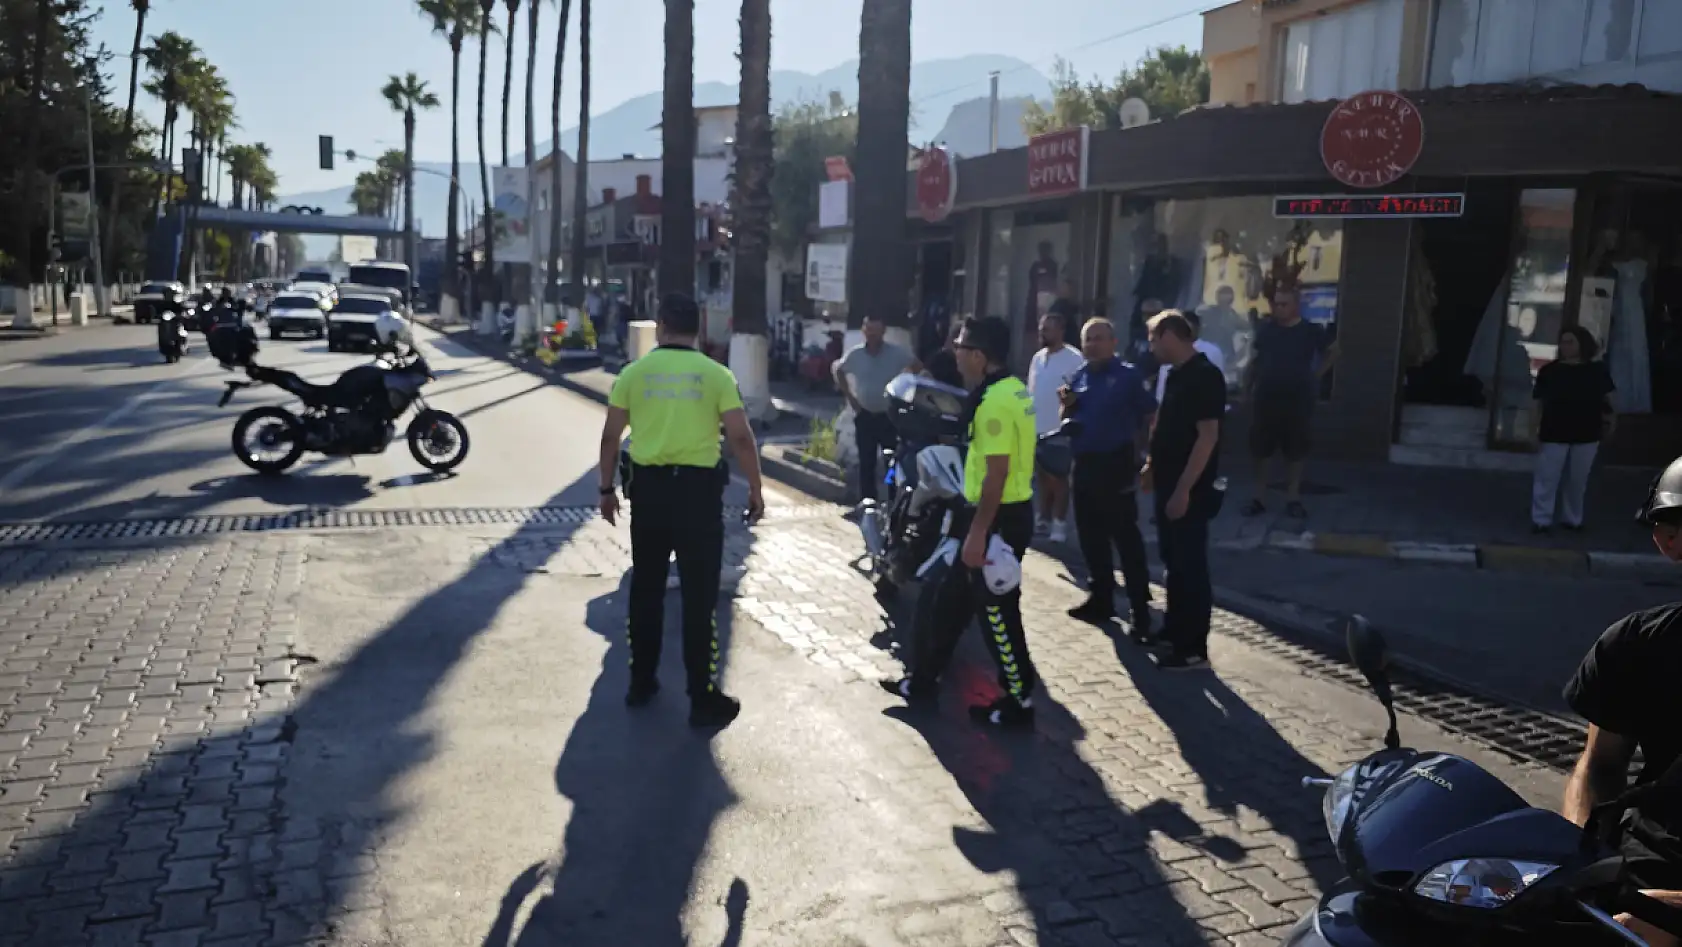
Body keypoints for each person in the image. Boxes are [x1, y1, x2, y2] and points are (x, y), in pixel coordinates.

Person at [597, 292, 765, 728]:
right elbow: (741, 439)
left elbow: (611, 437)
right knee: (699, 598)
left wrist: (605, 488)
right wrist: (756, 490)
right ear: (698, 330)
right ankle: (702, 695)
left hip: (649, 496)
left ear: (661, 326)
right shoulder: (716, 375)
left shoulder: (634, 374)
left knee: (646, 591)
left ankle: (641, 681)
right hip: (697, 498)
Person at [882, 316, 1040, 727]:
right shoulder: (1011, 389)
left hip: (996, 518)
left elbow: (997, 473)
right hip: (988, 513)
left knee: (997, 614)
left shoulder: (994, 403)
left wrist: (977, 533)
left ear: (980, 356)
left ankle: (1018, 701)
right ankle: (922, 680)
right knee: (946, 601)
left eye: (961, 345)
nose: (954, 351)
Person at [1564, 456, 1682, 943]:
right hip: (1630, 887)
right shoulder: (1636, 646)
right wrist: (1577, 861)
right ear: (1668, 539)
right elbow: (1598, 767)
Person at [1060, 318, 1156, 637]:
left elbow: (1150, 414)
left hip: (1116, 464)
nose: (1093, 345)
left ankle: (1140, 610)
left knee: (1125, 538)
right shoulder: (1078, 376)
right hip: (1084, 463)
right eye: (1088, 340)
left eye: (1099, 339)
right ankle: (1100, 598)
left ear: (1114, 342)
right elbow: (1069, 416)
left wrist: (1148, 456)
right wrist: (1067, 407)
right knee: (1090, 536)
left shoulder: (1128, 377)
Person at [1143, 311, 1226, 671]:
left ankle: (1193, 648)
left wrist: (1184, 490)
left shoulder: (1205, 376)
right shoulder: (1174, 374)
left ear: (1169, 335)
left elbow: (1207, 437)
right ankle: (1174, 631)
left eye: (1152, 338)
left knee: (1190, 565)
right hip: (1166, 482)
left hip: (1189, 489)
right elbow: (1163, 423)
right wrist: (1151, 464)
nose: (1150, 346)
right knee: (1173, 561)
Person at [1241, 287, 1336, 519]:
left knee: (1295, 448)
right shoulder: (1267, 330)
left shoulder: (1310, 330)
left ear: (1296, 306)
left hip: (1297, 397)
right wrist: (1246, 387)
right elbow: (1255, 360)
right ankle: (1259, 497)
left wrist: (1316, 376)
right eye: (1276, 304)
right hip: (1266, 396)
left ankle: (1293, 497)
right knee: (1261, 449)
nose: (1279, 308)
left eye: (1284, 304)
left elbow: (1333, 352)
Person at [1532, 326, 1616, 534]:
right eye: (1563, 342)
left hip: (1587, 431)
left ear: (1582, 344)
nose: (1565, 346)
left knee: (1578, 479)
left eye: (1570, 342)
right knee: (1547, 477)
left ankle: (1572, 518)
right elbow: (1537, 403)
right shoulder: (1550, 371)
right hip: (1553, 430)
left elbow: (1611, 399)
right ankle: (1541, 519)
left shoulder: (1596, 371)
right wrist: (1530, 427)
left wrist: (1611, 423)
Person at [833, 314, 918, 502]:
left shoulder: (896, 354)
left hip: (889, 417)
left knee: (892, 462)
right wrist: (851, 399)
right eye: (868, 330)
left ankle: (893, 500)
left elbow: (917, 367)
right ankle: (868, 502)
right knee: (867, 462)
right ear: (864, 331)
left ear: (883, 331)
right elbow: (839, 370)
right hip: (865, 416)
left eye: (876, 331)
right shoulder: (856, 354)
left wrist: (909, 397)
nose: (872, 335)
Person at [1027, 311, 1084, 542]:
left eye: (1048, 328)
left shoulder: (1074, 358)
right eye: (1042, 328)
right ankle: (1043, 518)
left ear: (1061, 331)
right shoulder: (1037, 357)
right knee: (1042, 476)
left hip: (1060, 429)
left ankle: (1060, 524)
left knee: (1059, 478)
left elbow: (1079, 393)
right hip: (1036, 427)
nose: (1043, 332)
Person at [1155, 310, 1227, 406]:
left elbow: (1217, 388)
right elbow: (1161, 391)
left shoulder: (1212, 351)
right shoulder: (1169, 349)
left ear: (1197, 328)